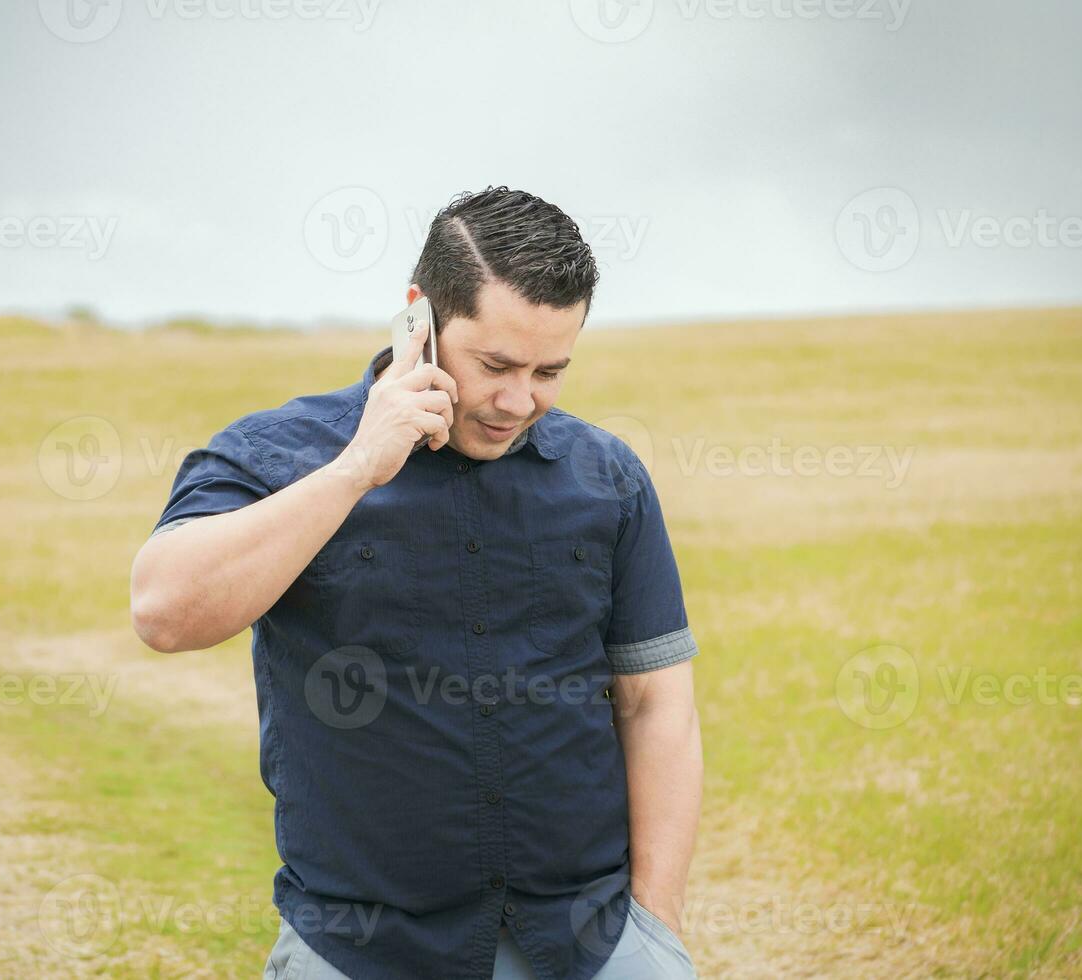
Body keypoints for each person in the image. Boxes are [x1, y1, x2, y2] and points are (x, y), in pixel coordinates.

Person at [131, 187, 702, 979]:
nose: (517, 401)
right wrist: (358, 468)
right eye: (495, 364)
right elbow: (164, 613)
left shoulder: (606, 476)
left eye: (550, 371)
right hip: (360, 951)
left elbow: (655, 703)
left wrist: (656, 926)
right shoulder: (276, 454)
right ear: (418, 322)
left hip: (592, 943)